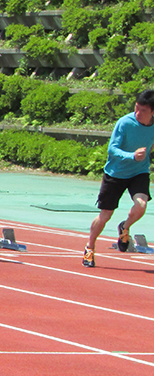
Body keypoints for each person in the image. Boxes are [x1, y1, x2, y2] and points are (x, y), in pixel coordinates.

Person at [82, 89, 154, 268]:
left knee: (141, 205)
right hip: (116, 173)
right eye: (136, 108)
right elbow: (112, 149)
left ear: (153, 112)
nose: (138, 113)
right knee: (105, 215)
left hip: (139, 172)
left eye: (143, 111)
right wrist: (131, 155)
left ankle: (125, 227)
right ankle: (90, 246)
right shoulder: (125, 123)